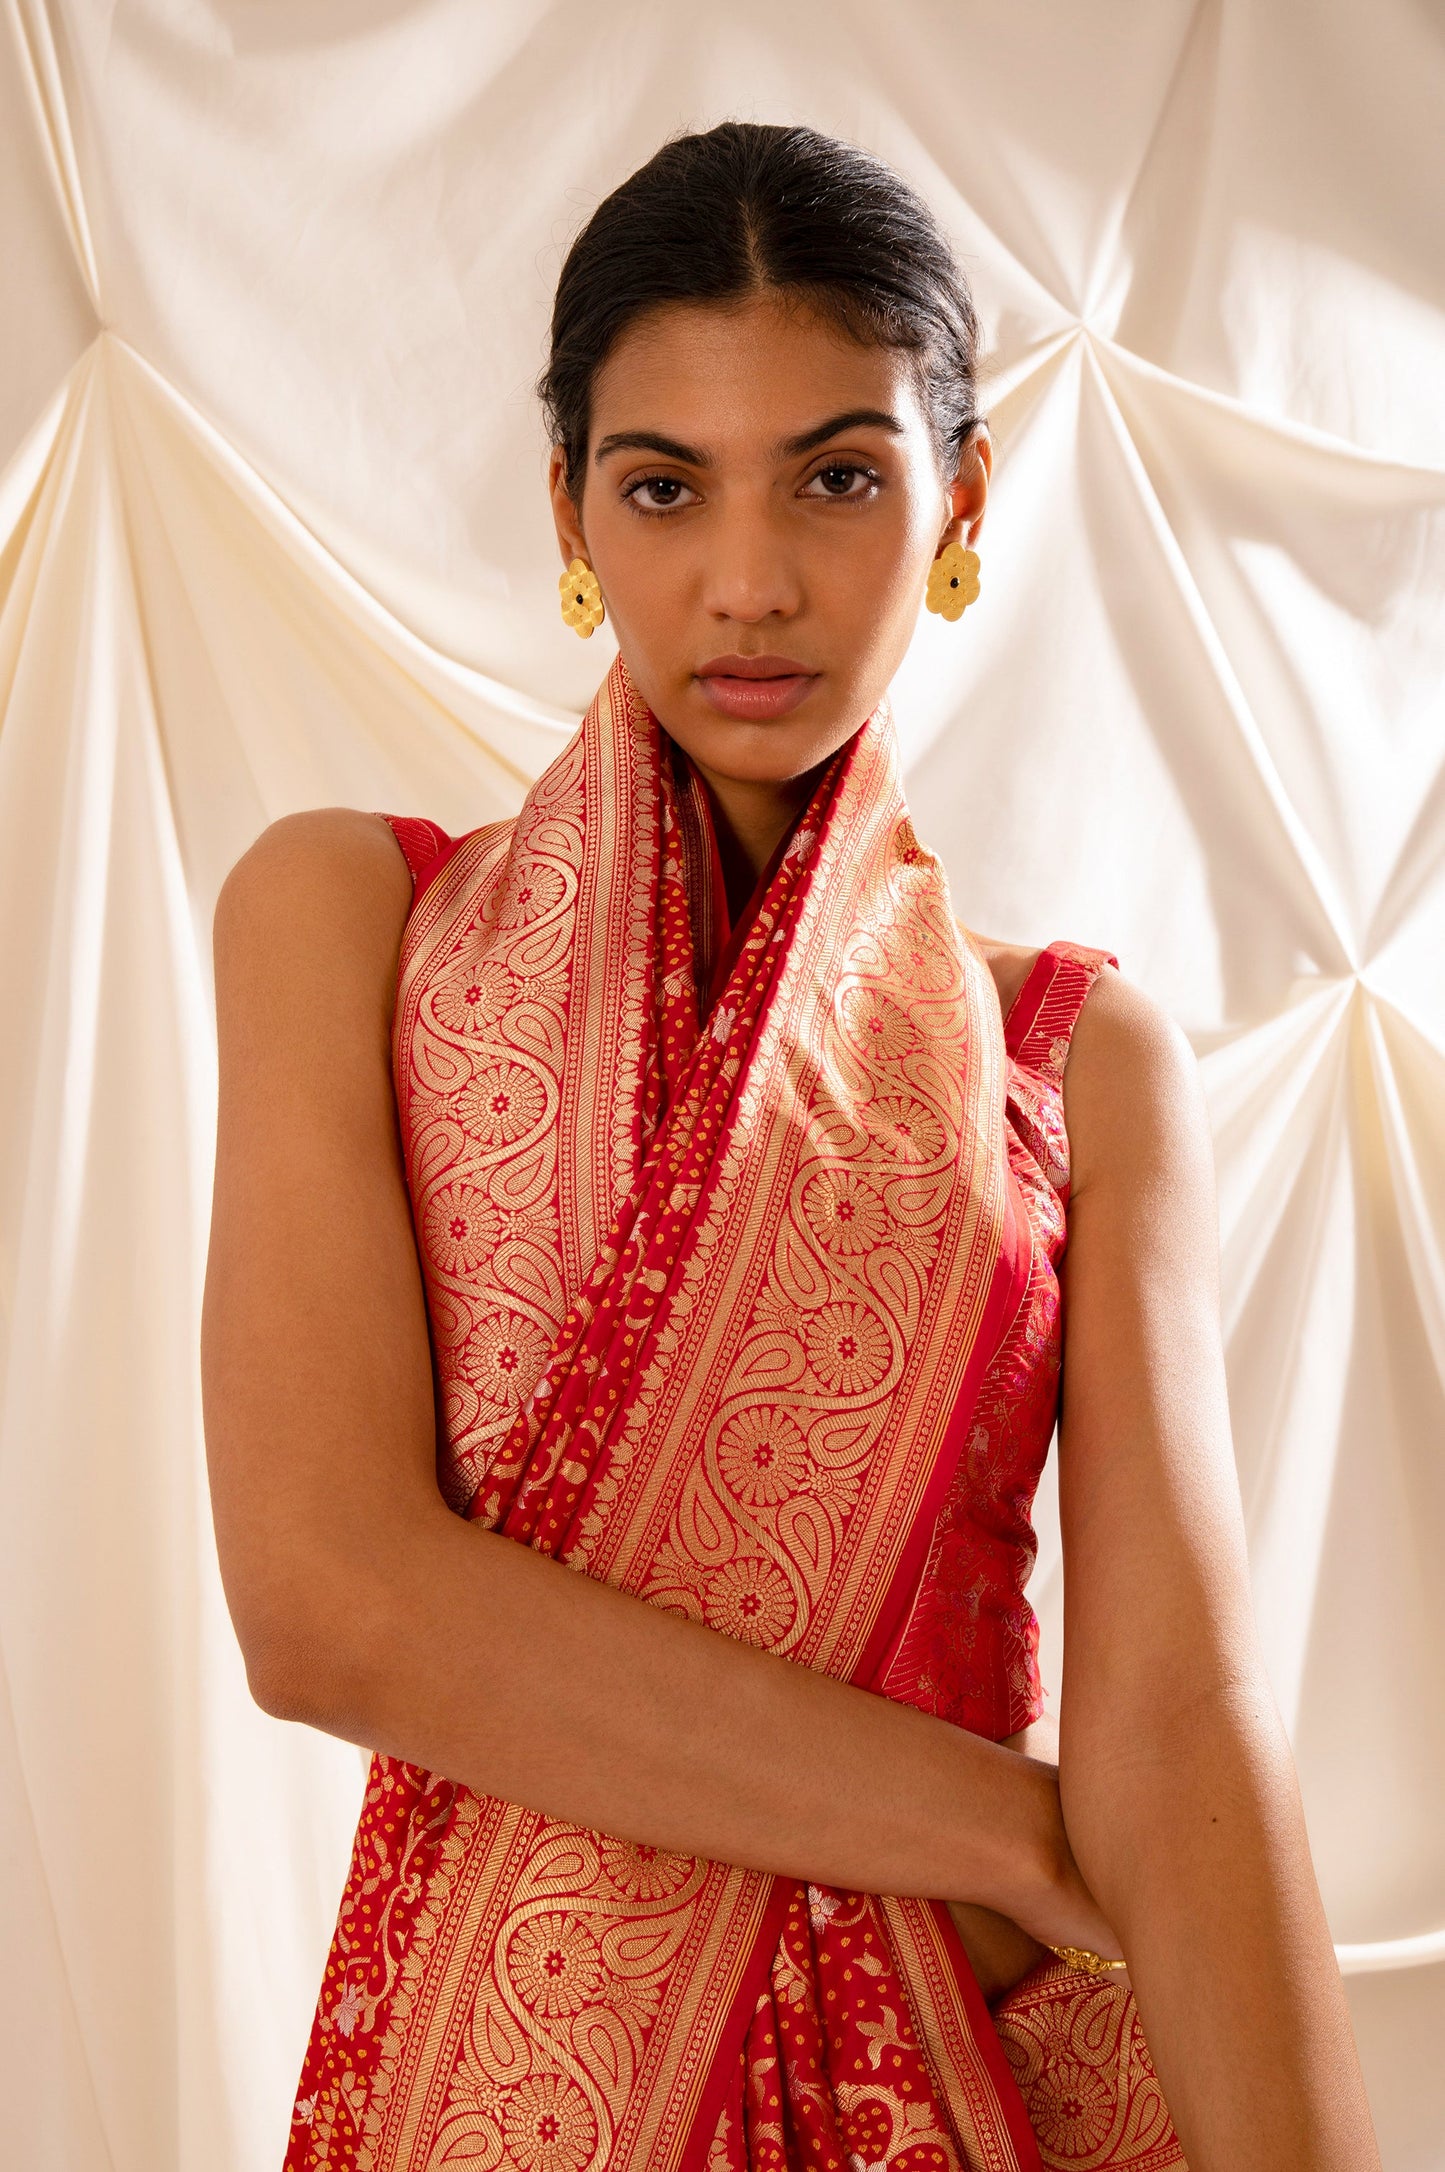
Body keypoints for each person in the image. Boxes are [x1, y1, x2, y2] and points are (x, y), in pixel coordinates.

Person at [202, 120, 1381, 2172]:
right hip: (514, 2070)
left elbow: (1186, 1724)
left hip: (947, 2073)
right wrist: (1002, 1825)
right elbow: (331, 1605)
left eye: (839, 475)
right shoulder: (352, 922)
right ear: (569, 506)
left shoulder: (1078, 1058)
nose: (748, 581)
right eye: (663, 488)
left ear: (959, 499)